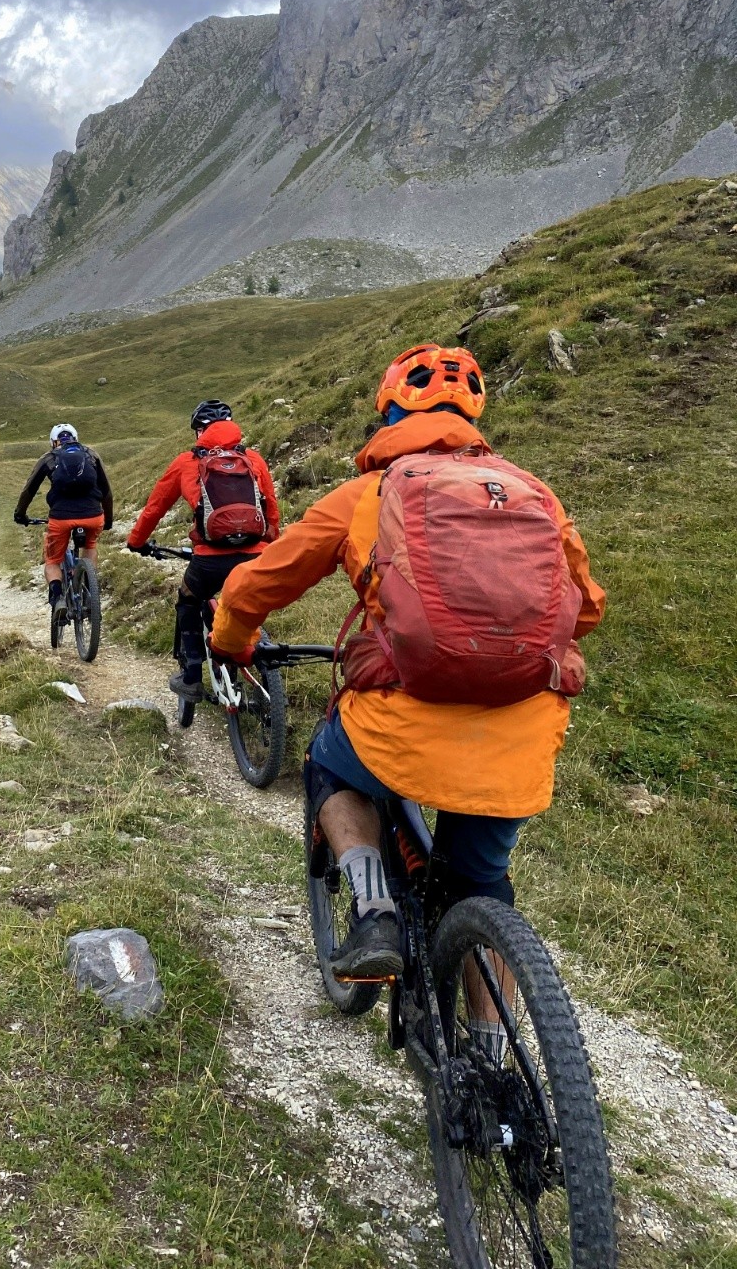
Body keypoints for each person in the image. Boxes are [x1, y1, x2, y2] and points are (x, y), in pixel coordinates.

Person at [209, 344, 605, 981]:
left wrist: (232, 642)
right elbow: (584, 610)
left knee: (329, 766)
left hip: (402, 722)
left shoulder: (363, 494)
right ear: (472, 416)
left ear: (389, 411)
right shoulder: (532, 495)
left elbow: (254, 587)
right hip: (520, 730)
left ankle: (374, 914)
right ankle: (492, 1054)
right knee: (480, 886)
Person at [127, 400, 279, 700]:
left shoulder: (187, 462)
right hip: (255, 555)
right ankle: (263, 673)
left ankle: (192, 675)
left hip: (210, 559)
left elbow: (155, 507)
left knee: (188, 601)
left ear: (199, 432)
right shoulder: (253, 460)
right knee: (245, 604)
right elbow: (270, 507)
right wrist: (271, 545)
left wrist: (136, 541)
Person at [15, 424, 113, 615]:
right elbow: (107, 491)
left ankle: (58, 598)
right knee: (90, 546)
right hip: (93, 516)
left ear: (53, 442)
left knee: (52, 560)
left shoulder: (49, 458)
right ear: (76, 437)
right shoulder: (91, 454)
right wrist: (108, 519)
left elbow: (29, 490)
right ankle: (89, 592)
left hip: (61, 518)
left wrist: (20, 514)